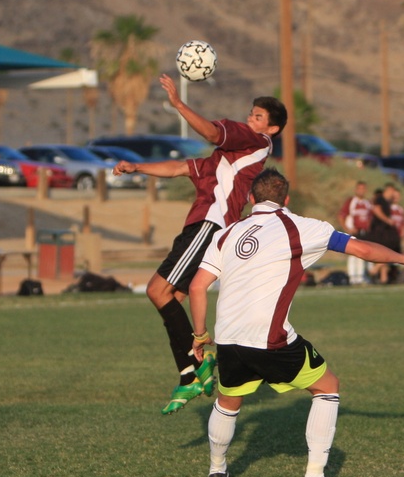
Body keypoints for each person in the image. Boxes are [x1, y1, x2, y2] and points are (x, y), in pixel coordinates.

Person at [188, 169, 404, 477]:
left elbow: (198, 287)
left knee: (228, 401)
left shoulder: (227, 234)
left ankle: (216, 470)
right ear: (286, 199)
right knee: (328, 387)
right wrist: (402, 258)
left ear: (251, 199)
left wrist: (200, 336)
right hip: (268, 338)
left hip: (228, 337)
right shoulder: (302, 226)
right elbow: (364, 251)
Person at [112, 74, 286, 415]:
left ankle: (193, 368)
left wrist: (177, 103)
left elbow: (210, 131)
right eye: (251, 114)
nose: (251, 120)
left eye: (259, 117)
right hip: (207, 227)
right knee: (173, 298)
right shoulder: (221, 160)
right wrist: (138, 167)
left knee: (156, 291)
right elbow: (178, 167)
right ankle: (194, 368)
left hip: (210, 224)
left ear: (272, 130)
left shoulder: (254, 140)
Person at [336, 180, 372, 285]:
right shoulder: (351, 201)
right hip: (353, 232)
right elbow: (341, 216)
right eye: (359, 188)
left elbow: (369, 218)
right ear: (356, 190)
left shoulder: (367, 203)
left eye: (363, 189)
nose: (361, 191)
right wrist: (347, 229)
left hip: (363, 232)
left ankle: (360, 277)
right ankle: (352, 277)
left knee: (362, 254)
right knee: (352, 254)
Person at [366, 183, 401, 284]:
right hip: (379, 233)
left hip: (384, 232)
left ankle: (383, 278)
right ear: (389, 190)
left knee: (385, 252)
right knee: (387, 251)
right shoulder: (380, 199)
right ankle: (374, 270)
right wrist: (387, 220)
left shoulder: (386, 202)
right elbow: (376, 210)